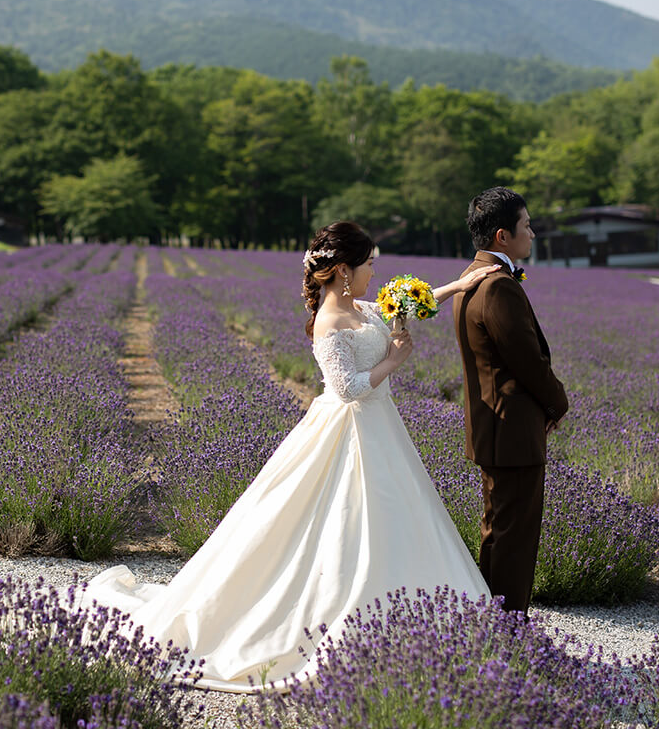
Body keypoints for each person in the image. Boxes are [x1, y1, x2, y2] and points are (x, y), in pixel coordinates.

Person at [81, 221, 500, 692]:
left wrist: (458, 286)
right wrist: (394, 361)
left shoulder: (363, 308)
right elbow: (347, 389)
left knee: (393, 519)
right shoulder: (330, 321)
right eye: (368, 265)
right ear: (343, 271)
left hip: (381, 429)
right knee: (337, 523)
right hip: (347, 430)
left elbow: (404, 306)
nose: (373, 272)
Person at [453, 187, 569, 617]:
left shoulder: (473, 276)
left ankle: (496, 627)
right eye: (526, 226)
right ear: (503, 236)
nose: (533, 234)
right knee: (514, 540)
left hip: (493, 429)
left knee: (498, 532)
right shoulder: (497, 286)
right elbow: (528, 361)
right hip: (513, 431)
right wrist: (558, 403)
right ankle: (508, 633)